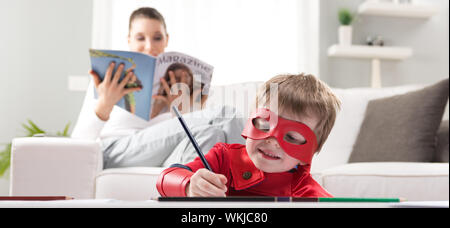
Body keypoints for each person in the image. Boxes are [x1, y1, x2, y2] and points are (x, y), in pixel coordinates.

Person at [72, 7, 221, 168]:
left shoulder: (178, 83)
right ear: (129, 40)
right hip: (115, 152)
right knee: (223, 115)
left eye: (157, 38)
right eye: (140, 38)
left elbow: (185, 136)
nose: (149, 46)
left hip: (161, 157)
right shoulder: (108, 80)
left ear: (166, 40)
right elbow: (79, 141)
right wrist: (104, 105)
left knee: (212, 133)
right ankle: (246, 189)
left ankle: (183, 189)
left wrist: (179, 110)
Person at [156, 73, 342, 197]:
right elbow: (166, 178)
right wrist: (189, 185)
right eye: (264, 124)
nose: (272, 140)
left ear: (309, 153)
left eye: (292, 137)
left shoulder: (309, 196)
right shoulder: (224, 158)